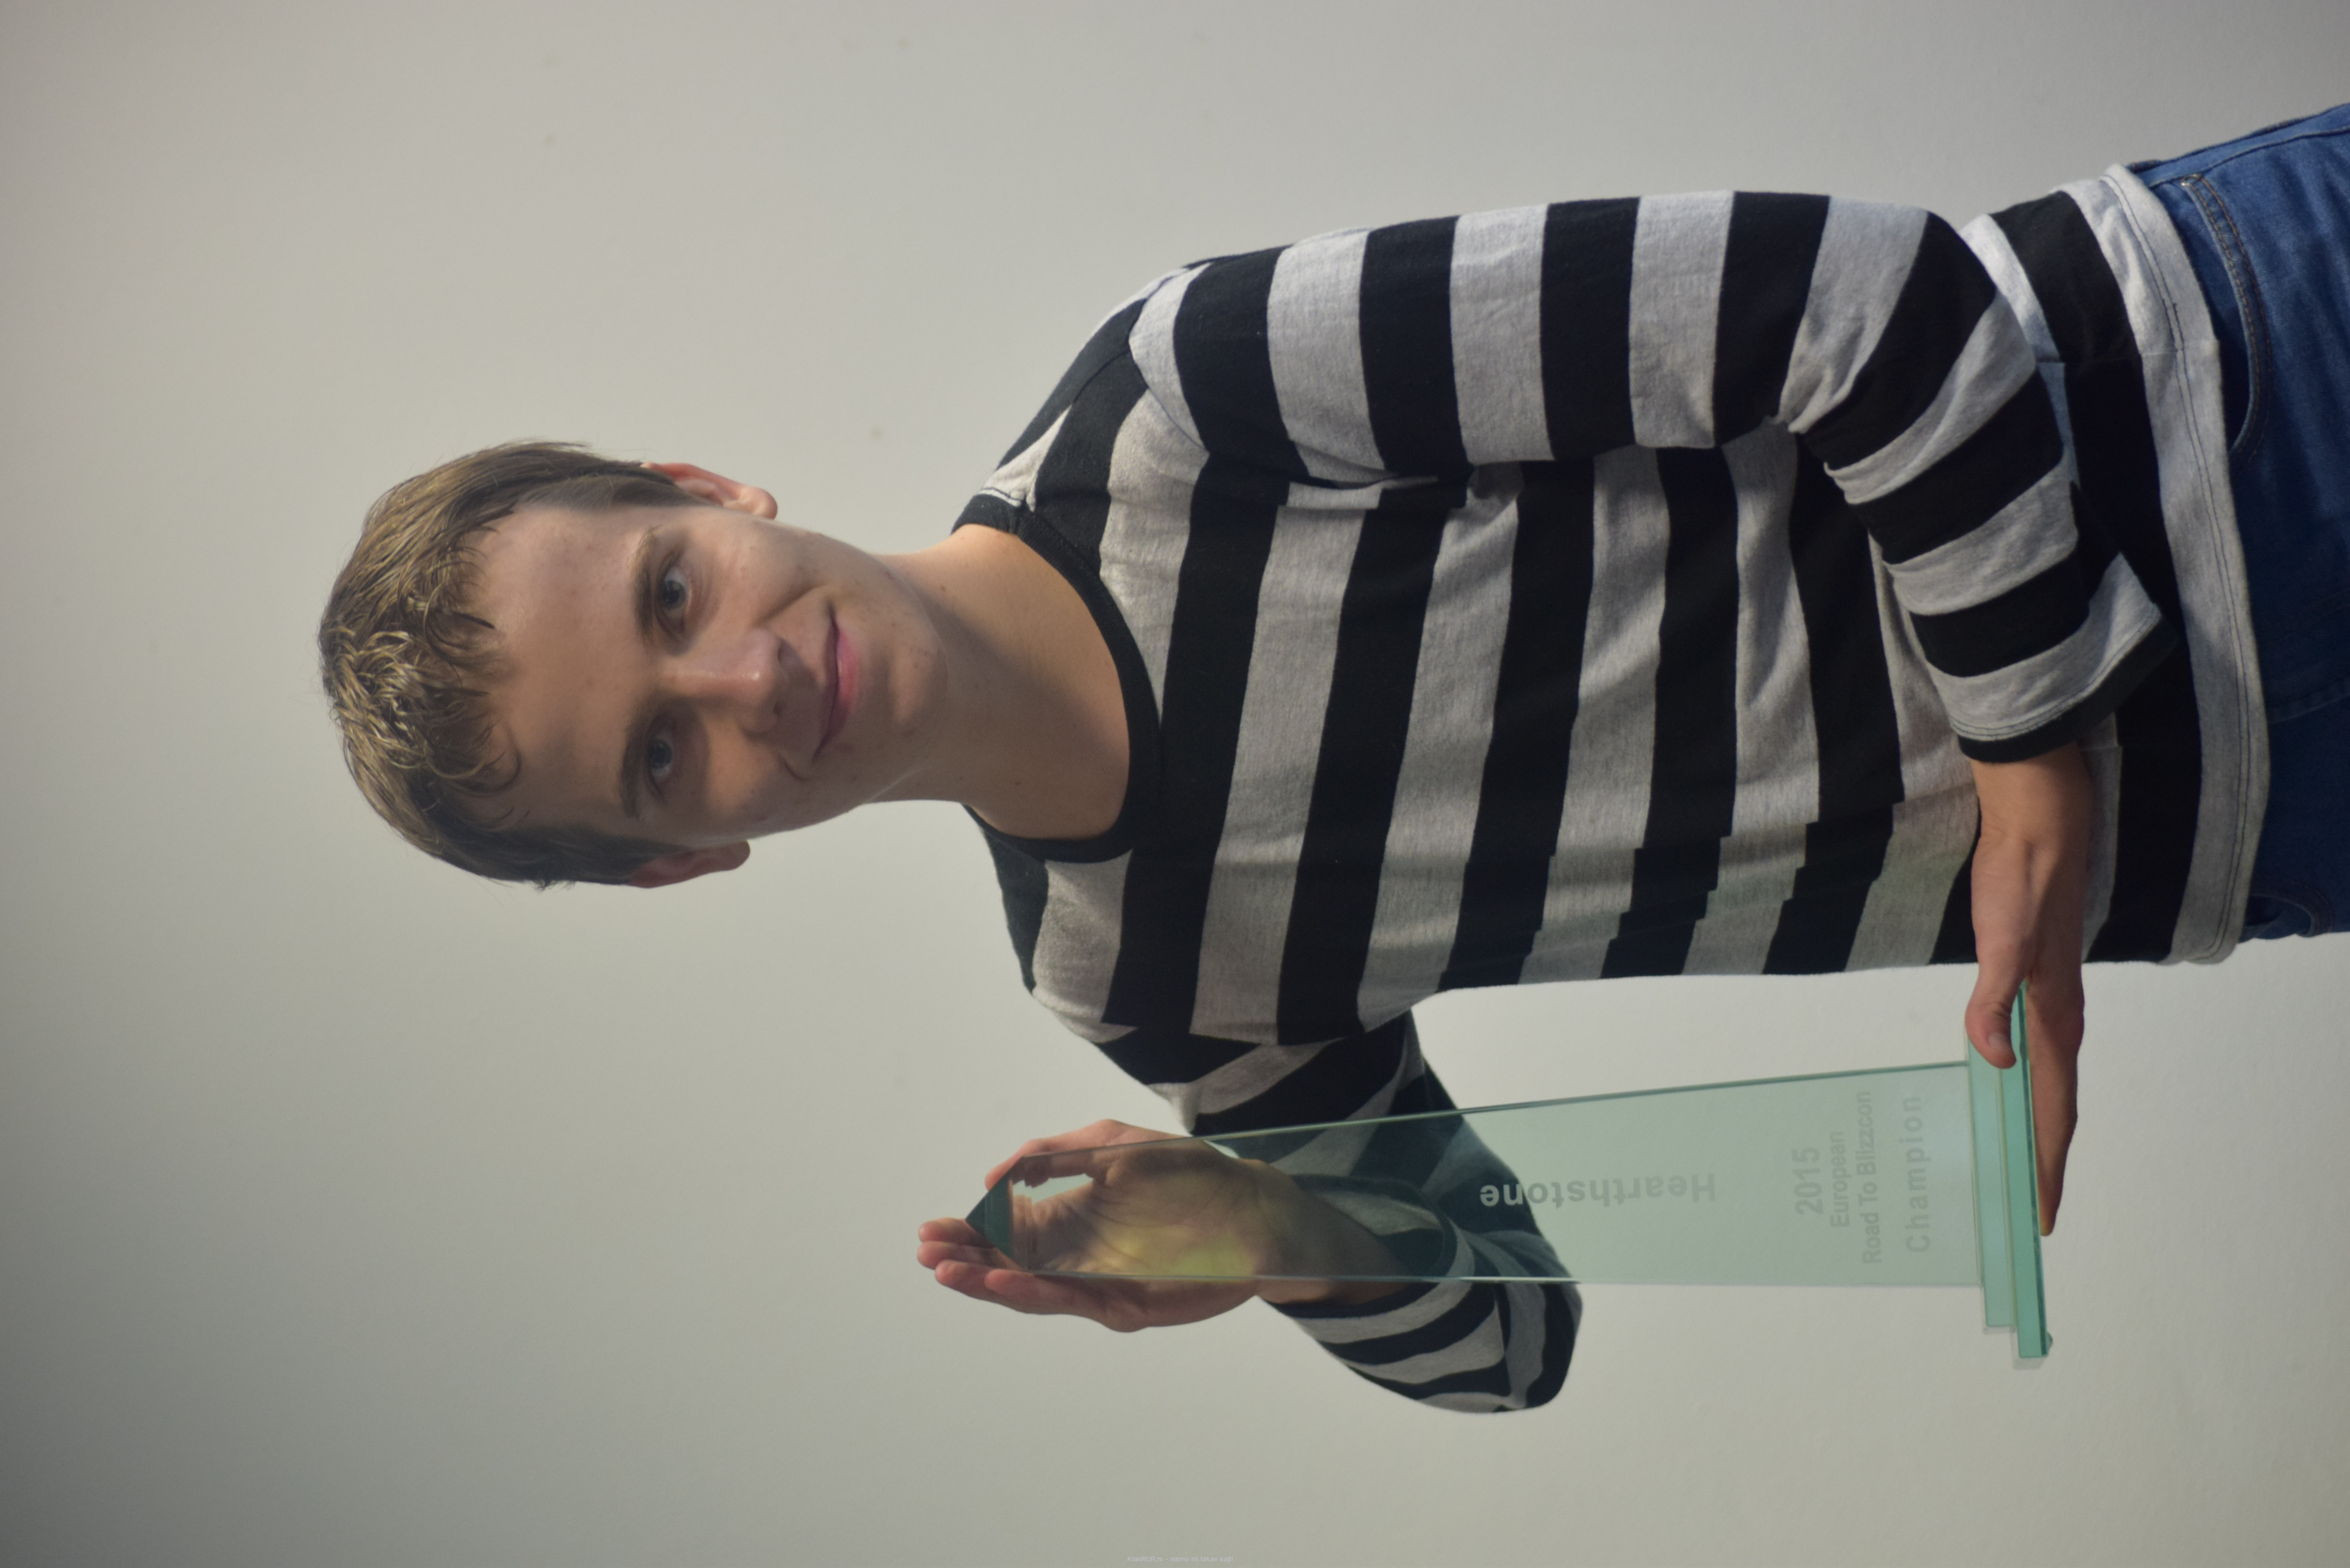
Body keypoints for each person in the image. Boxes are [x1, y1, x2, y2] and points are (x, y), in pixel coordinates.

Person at [318, 105, 2348, 1413]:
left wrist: (2029, 753)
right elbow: (1512, 1338)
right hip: (2263, 821)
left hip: (2245, 383)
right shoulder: (1136, 971)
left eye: (672, 591)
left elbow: (1863, 298)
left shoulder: (1186, 397)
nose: (749, 679)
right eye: (658, 760)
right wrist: (1264, 1234)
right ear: (678, 866)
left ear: (700, 487)